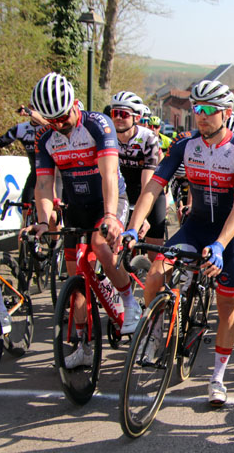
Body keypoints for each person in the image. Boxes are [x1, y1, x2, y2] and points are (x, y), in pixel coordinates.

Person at [123, 79, 234, 407]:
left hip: (229, 235)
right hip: (195, 228)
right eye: (197, 108)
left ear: (225, 113)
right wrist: (132, 227)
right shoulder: (185, 146)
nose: (202, 115)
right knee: (155, 275)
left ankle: (217, 377)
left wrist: (222, 244)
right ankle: (154, 334)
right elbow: (153, 187)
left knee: (226, 306)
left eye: (209, 110)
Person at [27, 72, 140, 368]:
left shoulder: (97, 125)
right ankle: (83, 345)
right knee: (75, 279)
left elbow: (109, 176)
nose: (59, 124)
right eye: (52, 120)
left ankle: (129, 301)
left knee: (100, 246)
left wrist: (111, 216)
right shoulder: (46, 138)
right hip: (76, 207)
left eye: (63, 116)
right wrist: (42, 221)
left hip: (108, 201)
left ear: (75, 104)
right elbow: (43, 186)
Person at [110, 91, 165, 256]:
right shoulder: (107, 136)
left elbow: (147, 184)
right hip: (122, 191)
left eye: (124, 114)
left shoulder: (148, 138)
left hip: (148, 192)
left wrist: (142, 218)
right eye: (115, 113)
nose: (118, 118)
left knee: (154, 254)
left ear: (137, 117)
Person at [0, 104, 48, 208]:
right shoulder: (21, 129)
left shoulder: (49, 128)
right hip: (35, 173)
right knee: (26, 205)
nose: (35, 110)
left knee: (53, 213)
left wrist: (31, 113)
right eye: (32, 107)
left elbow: (49, 124)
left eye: (38, 107)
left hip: (53, 173)